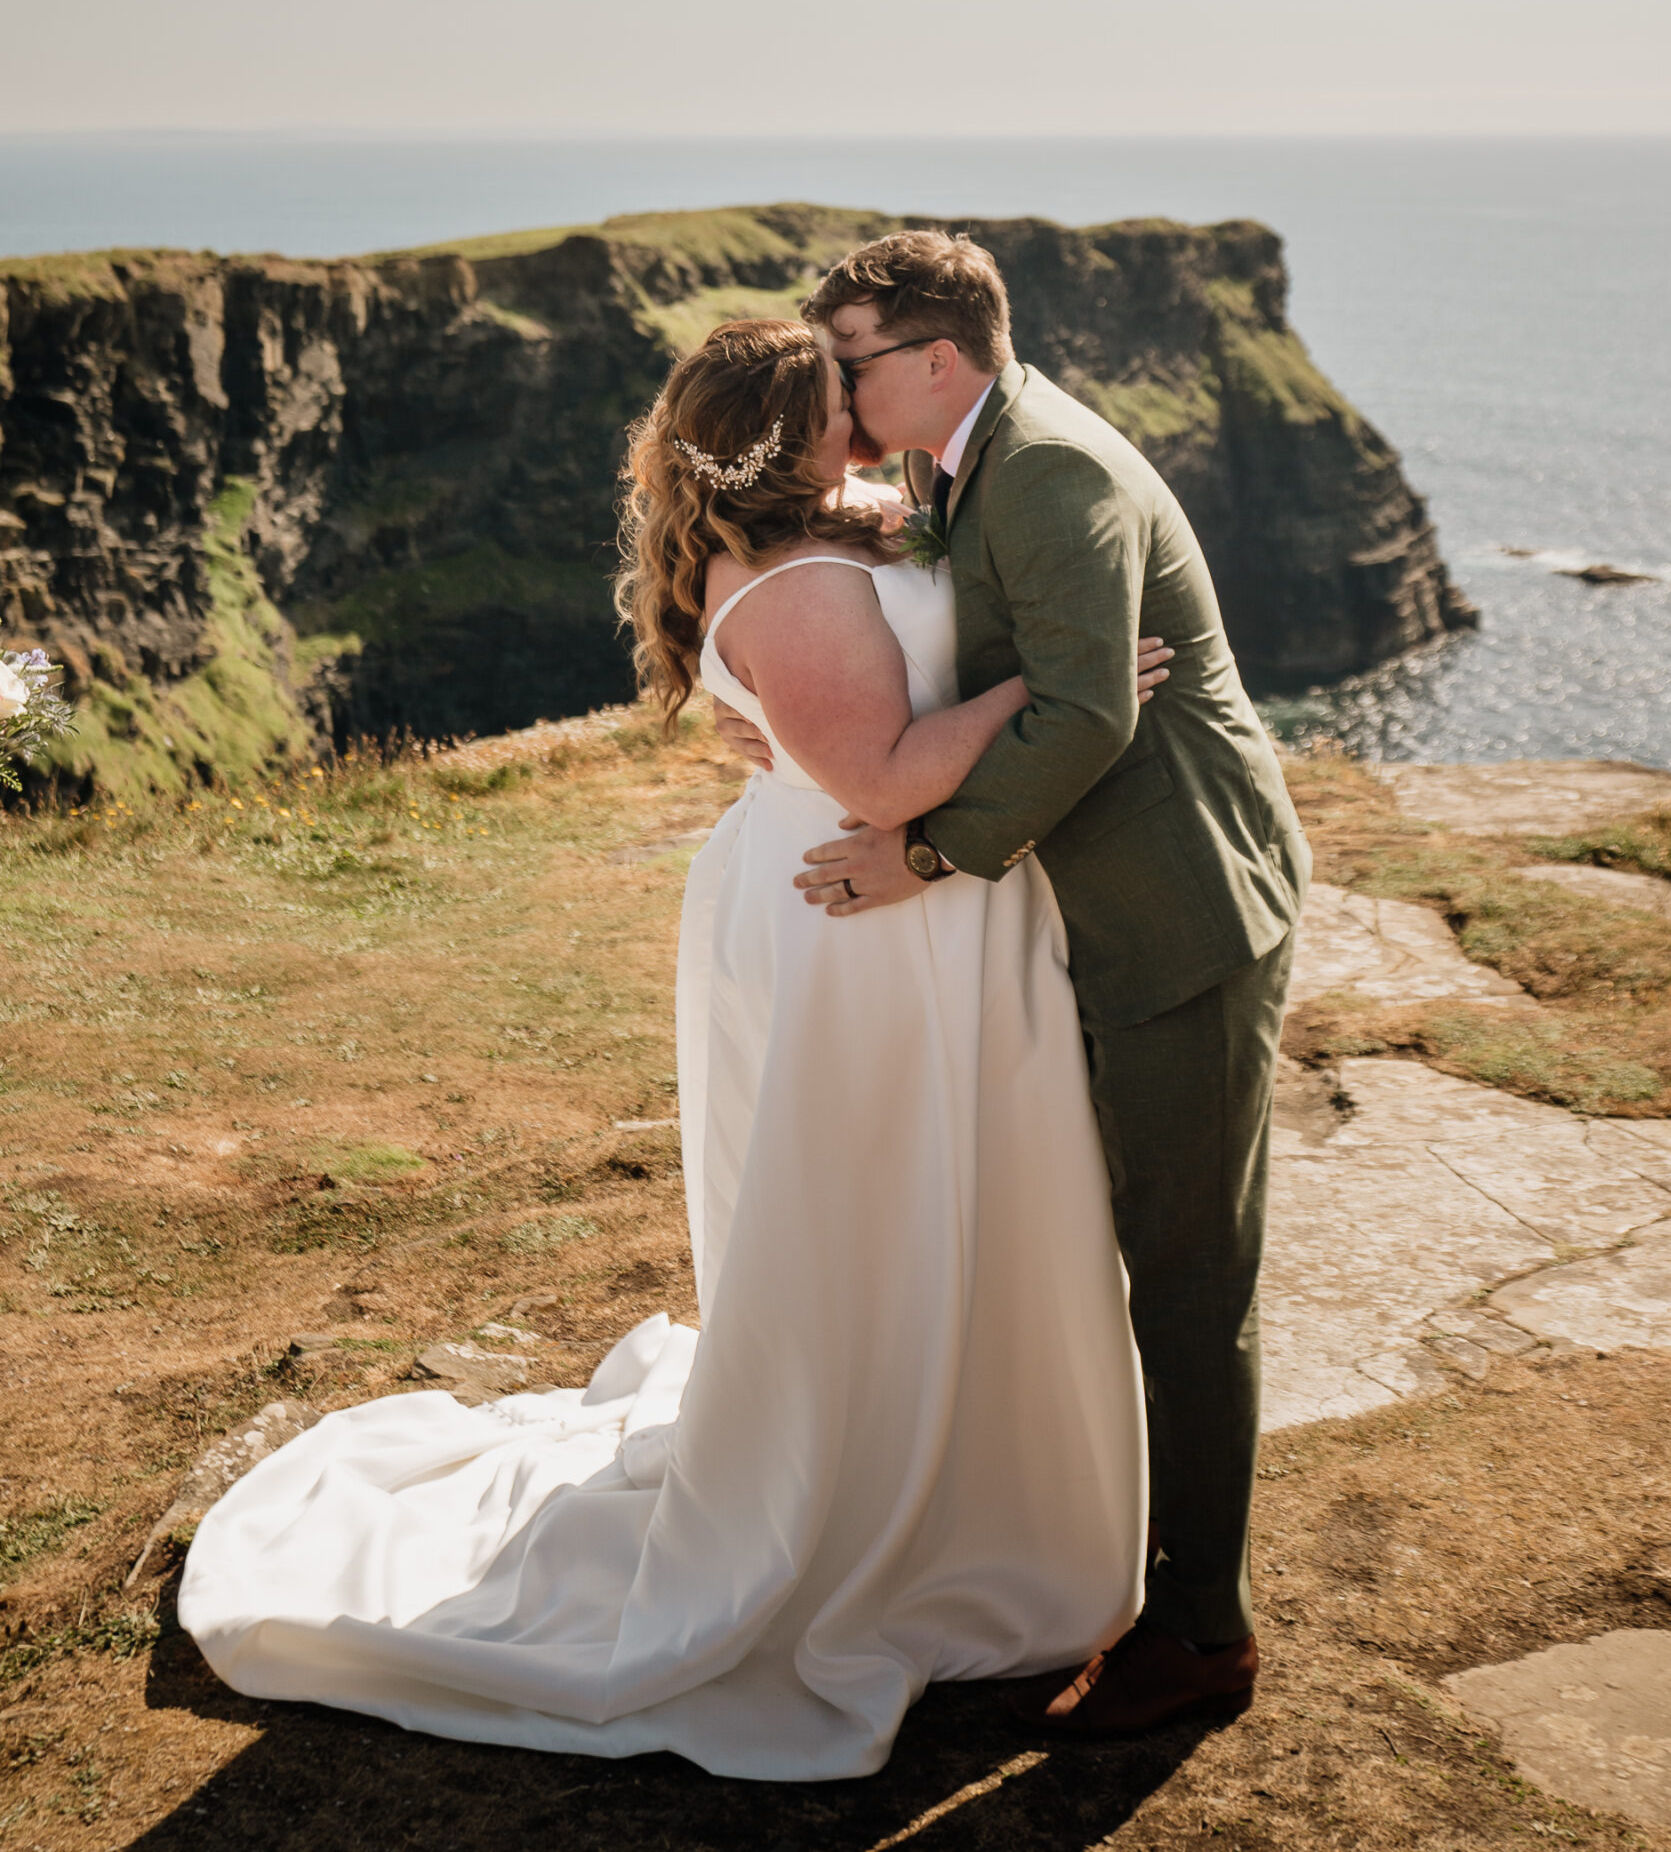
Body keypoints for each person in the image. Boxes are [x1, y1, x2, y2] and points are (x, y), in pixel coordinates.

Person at [177, 317, 1155, 1782]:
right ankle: (891, 1513)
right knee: (878, 1212)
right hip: (861, 931)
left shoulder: (834, 531)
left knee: (957, 1199)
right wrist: (1059, 694)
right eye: (845, 397)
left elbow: (840, 680)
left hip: (902, 910)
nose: (871, 411)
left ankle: (978, 1482)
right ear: (799, 434)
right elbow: (882, 773)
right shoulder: (800, 583)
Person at [716, 231, 1311, 1738]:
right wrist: (767, 719)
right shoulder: (955, 461)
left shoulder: (1042, 470)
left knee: (1188, 1278)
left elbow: (1091, 711)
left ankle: (1202, 1633)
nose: (828, 384)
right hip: (1086, 912)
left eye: (848, 358)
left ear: (935, 362)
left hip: (1180, 915)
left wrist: (924, 860)